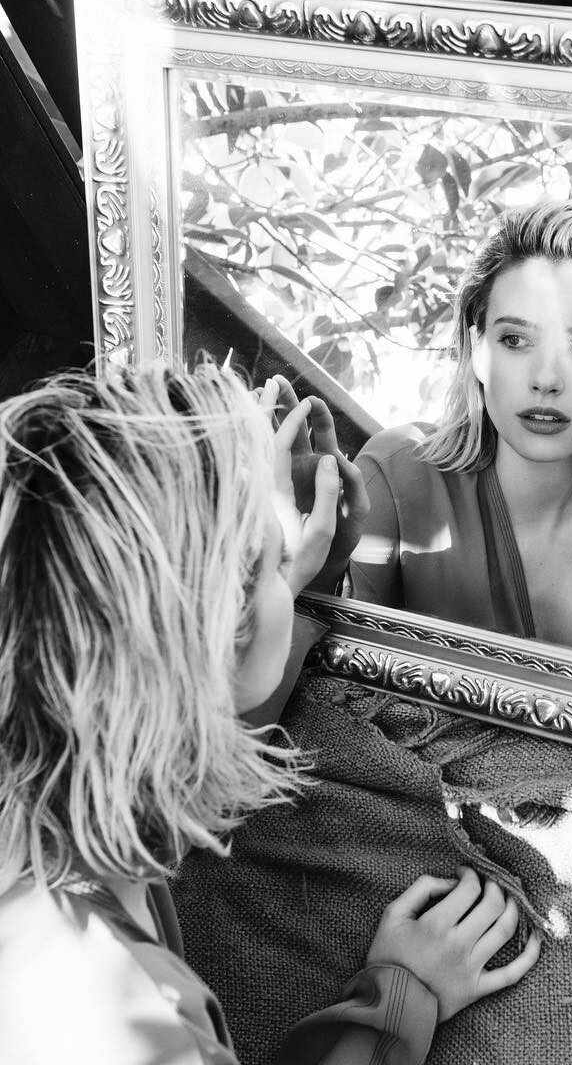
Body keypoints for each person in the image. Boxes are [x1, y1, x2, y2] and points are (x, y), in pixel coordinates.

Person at [0, 363, 540, 1065]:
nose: (286, 564)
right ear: (215, 633)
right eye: (267, 559)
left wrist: (300, 578)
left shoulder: (60, 815)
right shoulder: (122, 1026)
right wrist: (393, 1002)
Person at [306, 199, 572, 674]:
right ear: (478, 349)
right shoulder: (398, 476)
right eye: (516, 340)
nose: (546, 379)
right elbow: (338, 686)